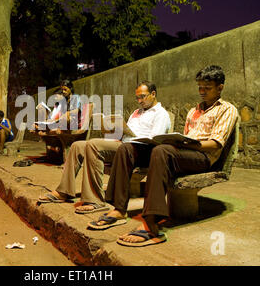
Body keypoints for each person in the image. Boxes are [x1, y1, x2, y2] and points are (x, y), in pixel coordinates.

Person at [95, 65, 238, 247]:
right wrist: (179, 141)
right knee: (127, 149)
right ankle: (119, 209)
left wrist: (189, 144)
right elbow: (187, 135)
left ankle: (152, 224)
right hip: (185, 153)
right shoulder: (194, 111)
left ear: (220, 87)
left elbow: (215, 144)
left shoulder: (226, 109)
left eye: (207, 88)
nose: (202, 92)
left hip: (204, 157)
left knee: (161, 151)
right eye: (200, 87)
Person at [38, 81, 172, 215]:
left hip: (138, 151)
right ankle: (64, 191)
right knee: (77, 146)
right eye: (137, 97)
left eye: (142, 96)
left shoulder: (161, 114)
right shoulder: (136, 112)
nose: (139, 101)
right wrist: (114, 129)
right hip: (122, 145)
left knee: (93, 145)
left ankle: (95, 200)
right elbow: (128, 131)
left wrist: (130, 139)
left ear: (153, 94)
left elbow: (154, 141)